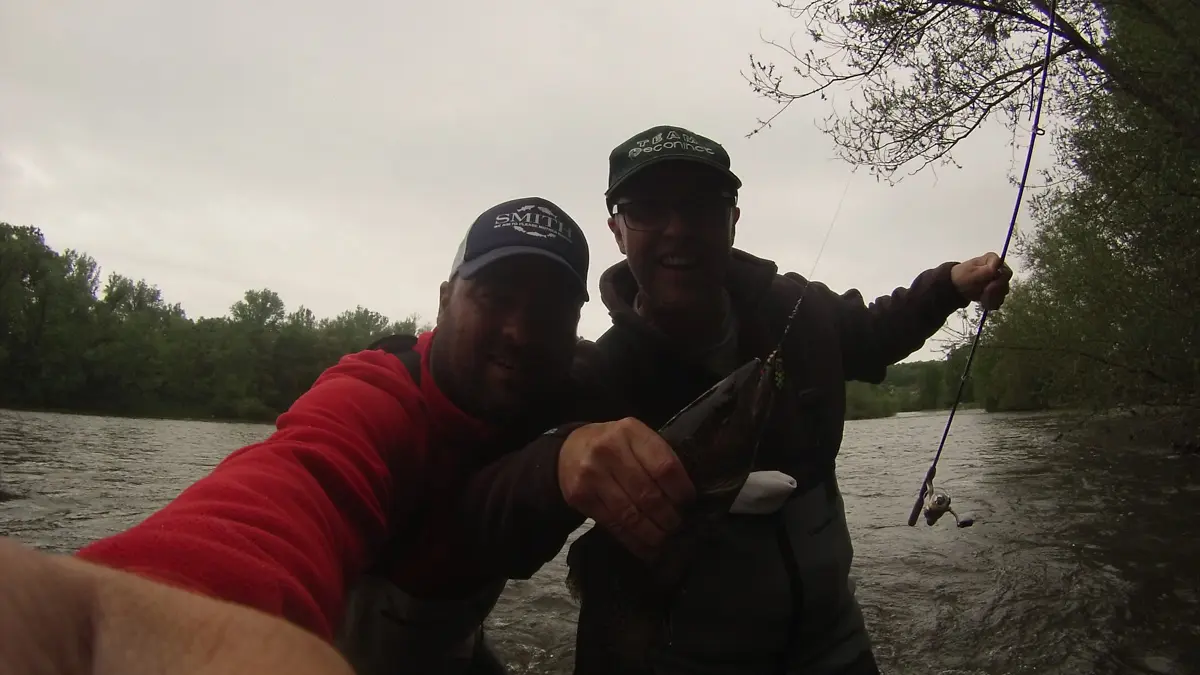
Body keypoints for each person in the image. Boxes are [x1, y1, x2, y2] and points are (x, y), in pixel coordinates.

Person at [40, 195, 688, 675]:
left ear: (574, 321)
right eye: (494, 295)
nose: (520, 329)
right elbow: (277, 500)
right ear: (443, 300)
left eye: (548, 309)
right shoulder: (373, 400)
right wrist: (115, 623)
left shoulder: (571, 387)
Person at [458, 125, 1013, 675]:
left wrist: (948, 286)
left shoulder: (799, 309)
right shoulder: (594, 378)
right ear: (618, 231)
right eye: (648, 207)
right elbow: (490, 519)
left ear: (733, 220)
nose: (678, 228)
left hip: (834, 645)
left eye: (702, 205)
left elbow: (870, 334)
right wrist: (557, 461)